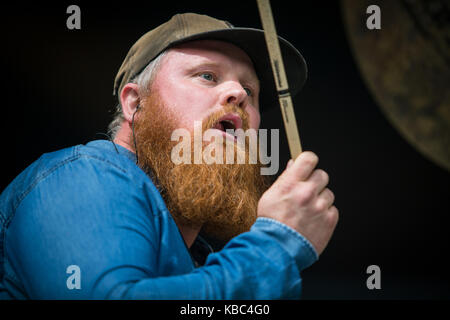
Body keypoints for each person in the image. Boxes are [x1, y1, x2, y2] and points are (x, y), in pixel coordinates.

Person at [0, 13, 338, 299]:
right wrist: (276, 243)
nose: (238, 93)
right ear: (135, 103)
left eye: (250, 91)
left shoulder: (200, 261)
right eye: (207, 76)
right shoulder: (83, 175)